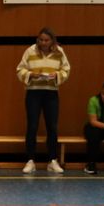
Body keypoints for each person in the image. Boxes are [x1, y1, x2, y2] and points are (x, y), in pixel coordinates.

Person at [16, 27, 70, 174]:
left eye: (46, 40)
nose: (43, 43)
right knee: (32, 126)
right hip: (33, 93)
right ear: (37, 39)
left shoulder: (59, 52)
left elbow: (66, 70)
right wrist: (30, 75)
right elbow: (20, 69)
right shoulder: (30, 51)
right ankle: (30, 160)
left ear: (52, 40)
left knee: (52, 127)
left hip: (51, 93)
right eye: (41, 40)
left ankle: (52, 160)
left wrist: (57, 75)